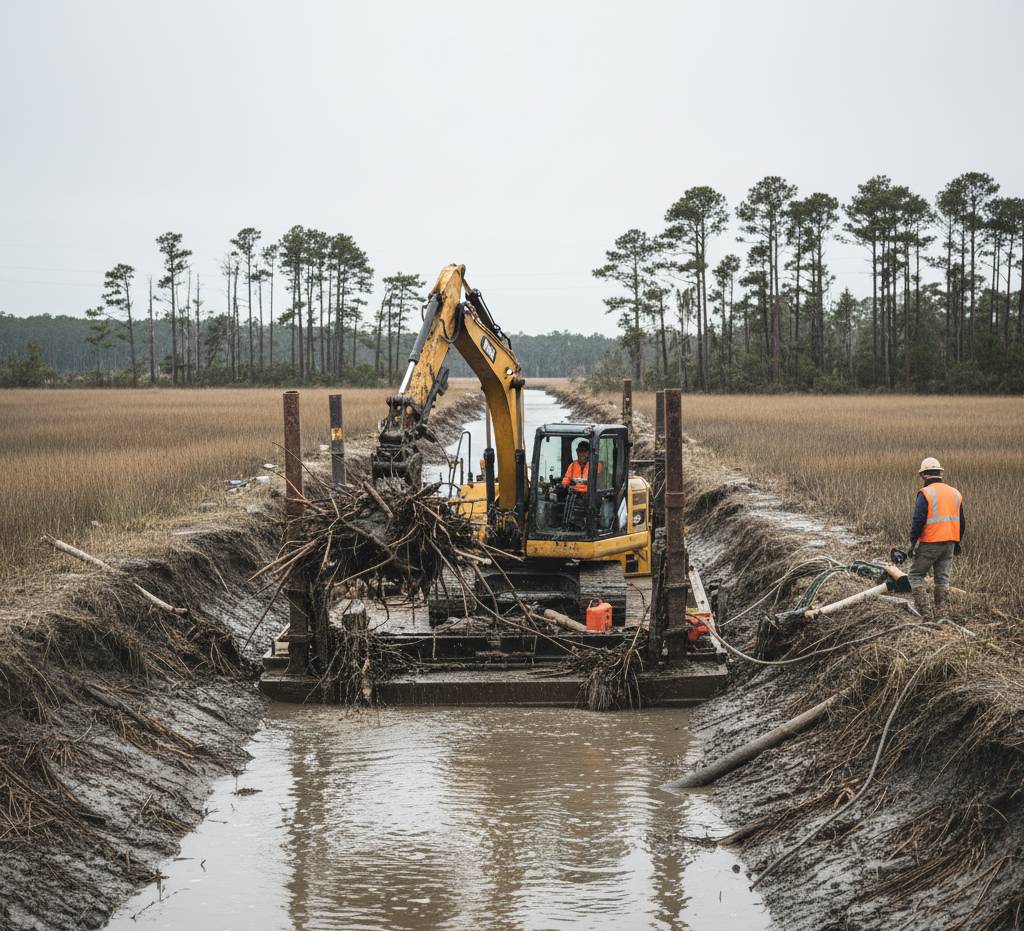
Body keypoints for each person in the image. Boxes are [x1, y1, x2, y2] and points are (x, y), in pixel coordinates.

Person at [907, 456, 964, 617]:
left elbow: (918, 520)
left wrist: (912, 543)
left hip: (930, 542)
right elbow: (962, 522)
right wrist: (957, 542)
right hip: (950, 543)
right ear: (940, 473)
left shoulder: (925, 493)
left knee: (915, 576)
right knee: (942, 579)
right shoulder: (955, 493)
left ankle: (926, 613)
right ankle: (941, 613)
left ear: (924, 475)